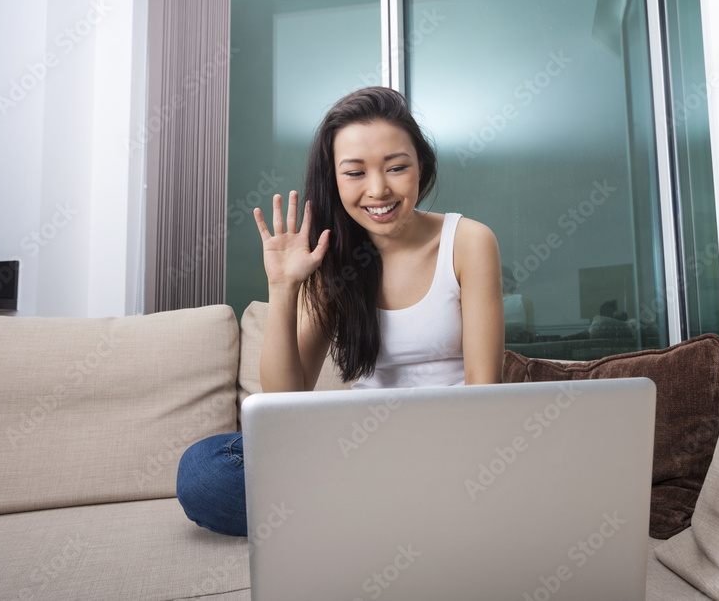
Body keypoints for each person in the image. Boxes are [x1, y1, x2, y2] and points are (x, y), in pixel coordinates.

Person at [176, 87, 504, 536]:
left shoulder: (468, 241)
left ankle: (360, 518)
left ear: (421, 166)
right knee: (205, 471)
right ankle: (392, 515)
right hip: (363, 449)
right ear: (334, 179)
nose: (378, 190)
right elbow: (283, 401)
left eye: (396, 167)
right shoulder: (335, 261)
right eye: (355, 173)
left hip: (450, 448)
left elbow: (485, 397)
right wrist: (284, 286)